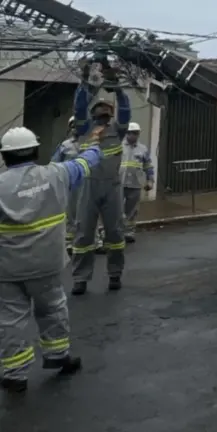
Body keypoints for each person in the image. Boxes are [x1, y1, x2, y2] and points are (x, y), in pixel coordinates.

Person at [0, 127, 101, 392]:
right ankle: (58, 357)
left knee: (11, 320)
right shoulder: (56, 174)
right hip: (47, 265)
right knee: (53, 310)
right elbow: (86, 163)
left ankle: (14, 374)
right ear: (35, 150)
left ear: (5, 156)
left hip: (8, 270)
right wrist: (93, 142)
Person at [70, 79, 131, 295]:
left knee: (115, 233)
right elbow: (78, 106)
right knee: (83, 235)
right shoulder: (85, 129)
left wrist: (118, 89)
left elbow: (125, 109)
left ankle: (115, 274)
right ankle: (80, 279)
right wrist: (86, 83)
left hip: (112, 187)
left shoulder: (118, 130)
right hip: (89, 187)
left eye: (107, 110)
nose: (103, 113)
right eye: (99, 110)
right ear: (93, 113)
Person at [51, 116, 81, 252]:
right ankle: (69, 242)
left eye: (78, 125)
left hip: (89, 184)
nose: (75, 128)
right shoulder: (65, 146)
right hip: (71, 185)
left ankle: (94, 241)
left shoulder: (92, 144)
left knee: (91, 213)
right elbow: (54, 164)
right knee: (70, 213)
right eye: (73, 125)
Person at [119, 122, 153, 243]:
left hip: (135, 183)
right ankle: (117, 232)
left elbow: (148, 166)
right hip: (119, 183)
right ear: (126, 133)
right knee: (117, 210)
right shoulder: (119, 146)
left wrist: (150, 180)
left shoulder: (143, 149)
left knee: (132, 210)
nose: (133, 136)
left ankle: (129, 232)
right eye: (131, 133)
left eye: (135, 133)